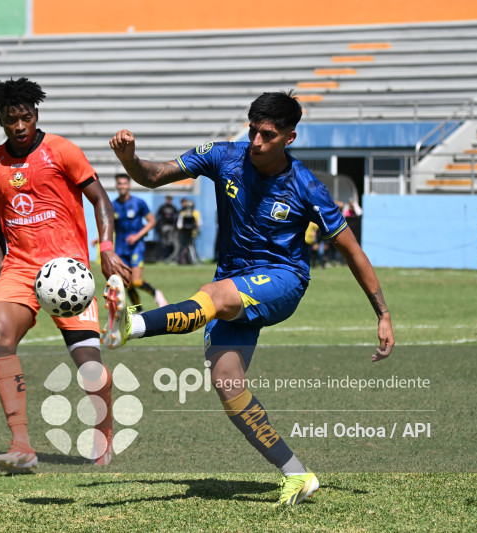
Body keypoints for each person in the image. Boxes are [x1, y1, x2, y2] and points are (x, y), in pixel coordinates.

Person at [105, 91, 394, 506]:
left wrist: (382, 313)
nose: (256, 142)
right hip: (234, 280)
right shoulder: (223, 156)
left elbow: (352, 251)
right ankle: (297, 474)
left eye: (268, 135)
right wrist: (129, 159)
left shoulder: (307, 187)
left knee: (213, 295)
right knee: (228, 384)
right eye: (253, 130)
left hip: (283, 281)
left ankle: (132, 325)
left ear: (289, 138)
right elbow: (154, 175)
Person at [0, 77, 129, 474]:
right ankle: (22, 445)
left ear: (36, 115)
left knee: (90, 370)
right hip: (20, 270)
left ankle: (105, 428)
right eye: (12, 119)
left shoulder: (61, 150)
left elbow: (101, 200)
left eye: (26, 117)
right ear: (1, 120)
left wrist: (106, 249)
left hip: (69, 273)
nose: (20, 125)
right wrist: (3, 274)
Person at [110, 173, 168, 309]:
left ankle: (156, 293)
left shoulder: (138, 203)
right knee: (126, 283)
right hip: (120, 248)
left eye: (124, 183)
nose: (122, 186)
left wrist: (137, 236)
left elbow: (152, 221)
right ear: (117, 186)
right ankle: (139, 311)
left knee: (136, 281)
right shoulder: (113, 205)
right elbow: (111, 226)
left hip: (136, 246)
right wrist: (99, 239)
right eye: (119, 184)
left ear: (128, 185)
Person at [176, 198, 201, 265]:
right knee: (183, 246)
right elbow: (179, 225)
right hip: (183, 233)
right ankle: (181, 260)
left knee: (191, 246)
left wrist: (195, 227)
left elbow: (199, 223)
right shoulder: (182, 213)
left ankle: (193, 260)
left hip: (192, 233)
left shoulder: (196, 213)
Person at [156, 195, 178, 261]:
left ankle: (169, 258)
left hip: (171, 227)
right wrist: (159, 226)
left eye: (170, 199)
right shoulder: (162, 207)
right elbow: (157, 216)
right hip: (164, 227)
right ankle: (162, 257)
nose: (168, 200)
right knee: (163, 243)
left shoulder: (173, 207)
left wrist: (175, 226)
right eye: (167, 199)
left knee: (170, 243)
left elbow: (176, 216)